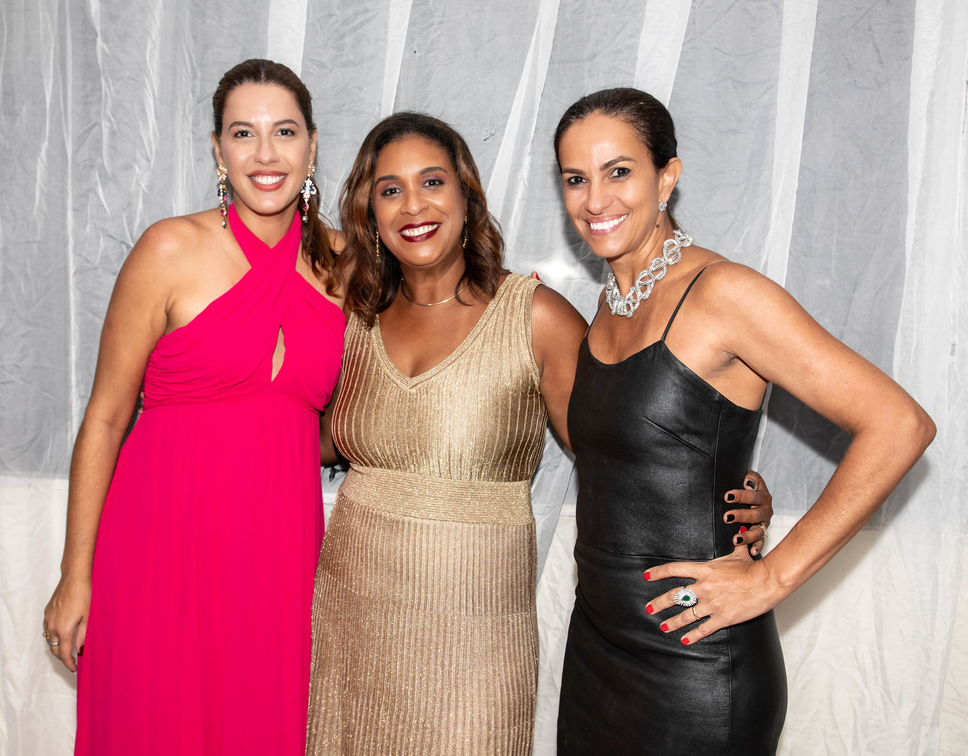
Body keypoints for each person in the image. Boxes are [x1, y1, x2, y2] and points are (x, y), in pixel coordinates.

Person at [304, 112, 773, 755]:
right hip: (349, 618)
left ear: (466, 195)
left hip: (472, 642)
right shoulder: (352, 316)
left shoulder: (534, 316)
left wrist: (726, 488)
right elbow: (311, 437)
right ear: (370, 211)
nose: (413, 205)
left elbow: (629, 445)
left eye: (432, 181)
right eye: (390, 189)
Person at [552, 88, 936, 755]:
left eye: (619, 172)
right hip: (596, 650)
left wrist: (771, 578)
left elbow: (899, 424)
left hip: (696, 665)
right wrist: (730, 484)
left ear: (666, 177)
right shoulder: (611, 305)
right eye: (575, 178)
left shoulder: (724, 294)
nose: (596, 199)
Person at [41, 59, 345, 755]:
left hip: (279, 556)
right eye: (243, 133)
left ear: (312, 145)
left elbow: (355, 411)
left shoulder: (345, 264)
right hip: (160, 547)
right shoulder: (168, 248)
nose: (265, 154)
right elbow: (105, 419)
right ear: (217, 150)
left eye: (285, 132)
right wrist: (74, 575)